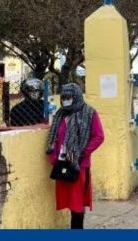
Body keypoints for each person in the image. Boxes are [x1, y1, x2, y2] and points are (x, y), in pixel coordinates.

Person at [46, 83, 105, 229]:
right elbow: (54, 138)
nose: (66, 100)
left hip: (79, 164)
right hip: (61, 163)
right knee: (68, 199)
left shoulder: (89, 113)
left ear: (76, 96)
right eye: (63, 97)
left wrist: (81, 153)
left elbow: (99, 136)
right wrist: (53, 157)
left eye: (69, 97)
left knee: (77, 202)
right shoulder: (60, 114)